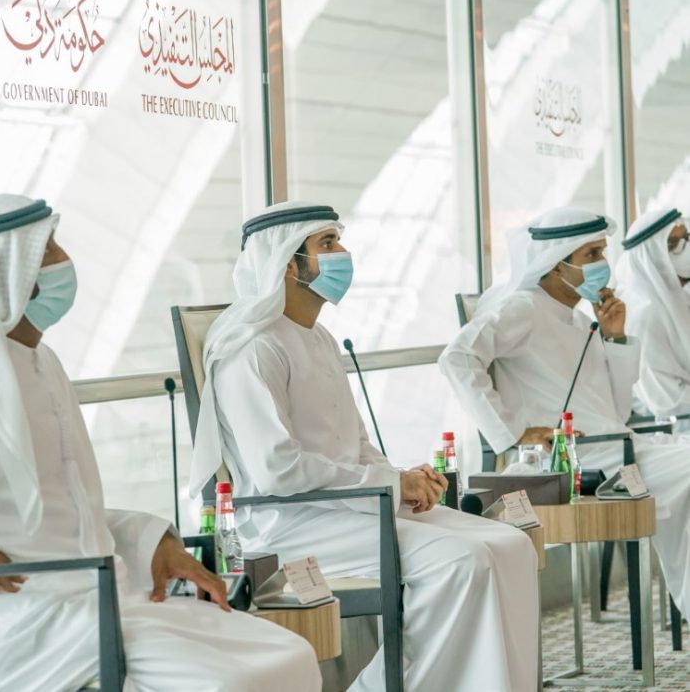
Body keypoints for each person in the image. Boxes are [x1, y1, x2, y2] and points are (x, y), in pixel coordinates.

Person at [0, 195, 320, 692]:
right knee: (227, 682)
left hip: (101, 595)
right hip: (17, 615)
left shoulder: (44, 362)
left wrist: (156, 544)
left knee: (287, 653)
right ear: (4, 270)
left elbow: (71, 511)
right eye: (47, 250)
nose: (65, 262)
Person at [191, 200, 539, 692]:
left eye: (339, 240)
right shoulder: (253, 347)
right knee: (463, 562)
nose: (343, 253)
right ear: (289, 263)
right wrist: (388, 484)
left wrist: (404, 482)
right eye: (327, 244)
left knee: (509, 544)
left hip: (351, 505)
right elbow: (278, 472)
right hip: (289, 523)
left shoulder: (320, 339)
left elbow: (356, 444)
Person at [439, 206, 690, 620]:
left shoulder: (576, 317)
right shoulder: (522, 307)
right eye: (591, 254)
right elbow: (457, 358)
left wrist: (616, 337)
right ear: (556, 265)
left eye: (601, 253)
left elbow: (613, 410)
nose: (602, 265)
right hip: (580, 460)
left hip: (615, 448)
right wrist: (512, 433)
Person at [615, 208, 690, 420]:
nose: (686, 248)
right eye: (675, 244)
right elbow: (667, 402)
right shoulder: (644, 314)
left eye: (687, 238)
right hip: (673, 431)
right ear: (653, 256)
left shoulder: (678, 298)